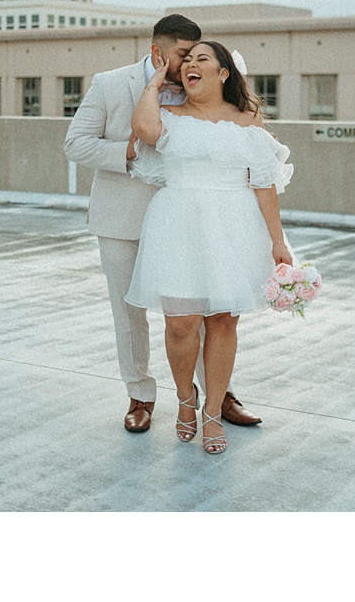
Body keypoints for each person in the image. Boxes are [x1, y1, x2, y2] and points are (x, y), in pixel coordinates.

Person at [64, 16, 264, 433]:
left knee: (211, 308)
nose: (187, 63)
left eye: (195, 56)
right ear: (158, 52)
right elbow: (76, 143)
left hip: (194, 221)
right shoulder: (110, 83)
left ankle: (218, 395)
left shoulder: (200, 84)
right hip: (122, 219)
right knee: (130, 313)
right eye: (180, 56)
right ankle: (140, 396)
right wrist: (136, 154)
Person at [125, 40, 294, 454]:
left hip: (234, 225)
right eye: (188, 61)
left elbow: (264, 184)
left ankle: (213, 412)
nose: (192, 66)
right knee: (180, 323)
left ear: (224, 74)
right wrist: (157, 83)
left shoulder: (248, 122)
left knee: (222, 321)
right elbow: (143, 131)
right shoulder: (168, 116)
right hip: (178, 223)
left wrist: (278, 241)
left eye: (204, 60)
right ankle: (186, 399)